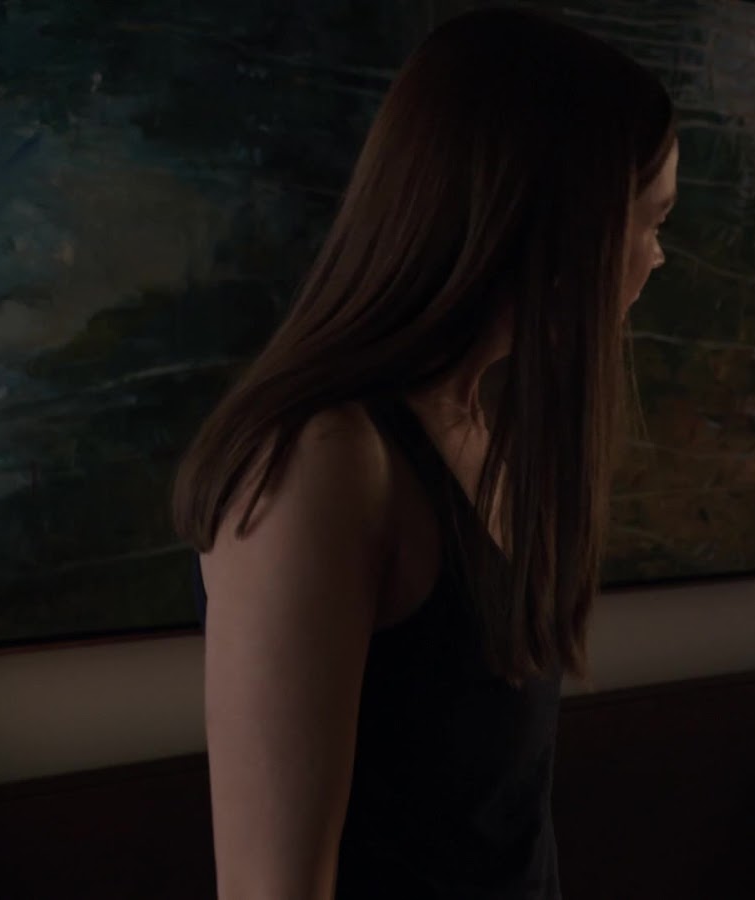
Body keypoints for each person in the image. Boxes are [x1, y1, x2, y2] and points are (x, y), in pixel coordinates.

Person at [171, 9, 678, 899]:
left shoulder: (480, 433)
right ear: (562, 224)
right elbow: (271, 887)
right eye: (653, 219)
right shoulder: (322, 464)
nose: (658, 256)